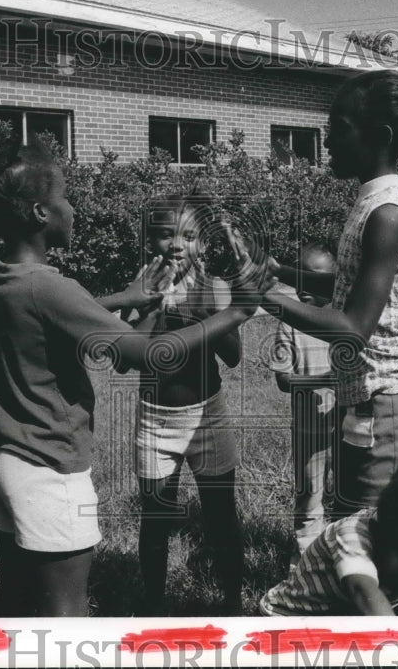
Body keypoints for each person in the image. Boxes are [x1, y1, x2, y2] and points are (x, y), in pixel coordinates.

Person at [0, 143, 266, 617]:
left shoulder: (4, 274)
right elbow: (140, 352)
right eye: (65, 197)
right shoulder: (48, 285)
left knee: (14, 604)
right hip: (49, 462)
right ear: (42, 212)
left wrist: (132, 298)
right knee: (67, 616)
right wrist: (235, 311)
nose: (73, 207)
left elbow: (64, 312)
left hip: (9, 456)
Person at [263, 70, 398, 518]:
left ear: (379, 137)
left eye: (338, 129)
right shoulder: (371, 202)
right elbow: (349, 288)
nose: (328, 142)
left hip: (388, 399)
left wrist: (261, 295)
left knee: (375, 538)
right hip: (366, 396)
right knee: (360, 527)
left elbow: (354, 328)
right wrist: (279, 271)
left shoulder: (388, 214)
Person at [131, 193, 245, 616]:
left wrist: (203, 316)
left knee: (221, 518)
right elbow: (128, 354)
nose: (176, 245)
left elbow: (233, 355)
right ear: (150, 241)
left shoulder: (213, 286)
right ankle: (154, 607)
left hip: (207, 416)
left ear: (203, 243)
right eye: (165, 235)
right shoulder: (142, 285)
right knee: (156, 521)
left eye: (188, 236)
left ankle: (232, 605)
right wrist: (151, 308)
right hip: (155, 420)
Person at [259, 474, 398, 616]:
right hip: (289, 622)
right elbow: (362, 592)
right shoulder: (352, 536)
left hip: (343, 619)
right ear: (382, 547)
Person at [268, 242, 338, 562]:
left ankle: (341, 559)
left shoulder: (345, 318)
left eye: (316, 278)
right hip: (309, 432)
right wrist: (324, 381)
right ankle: (307, 564)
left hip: (347, 429)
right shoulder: (290, 323)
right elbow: (283, 380)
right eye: (300, 277)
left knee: (347, 496)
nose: (305, 286)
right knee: (310, 498)